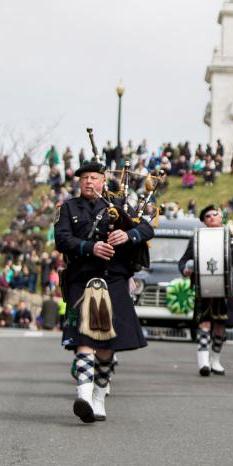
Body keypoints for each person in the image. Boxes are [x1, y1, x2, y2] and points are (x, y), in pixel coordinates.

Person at [56, 155, 152, 423]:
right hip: (82, 278)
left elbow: (146, 228)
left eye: (94, 178)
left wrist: (128, 235)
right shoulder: (67, 208)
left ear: (103, 180)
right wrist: (89, 247)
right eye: (84, 178)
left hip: (114, 279)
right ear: (79, 182)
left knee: (108, 345)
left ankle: (99, 396)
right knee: (84, 339)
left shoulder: (118, 205)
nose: (89, 182)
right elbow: (62, 239)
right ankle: (84, 395)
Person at [179, 205, 233, 376]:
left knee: (220, 326)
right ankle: (203, 363)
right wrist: (186, 269)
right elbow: (183, 261)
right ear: (204, 221)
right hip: (204, 287)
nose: (211, 217)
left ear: (221, 217)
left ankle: (215, 360)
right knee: (204, 323)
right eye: (207, 216)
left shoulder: (232, 240)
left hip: (225, 288)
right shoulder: (196, 238)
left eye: (214, 214)